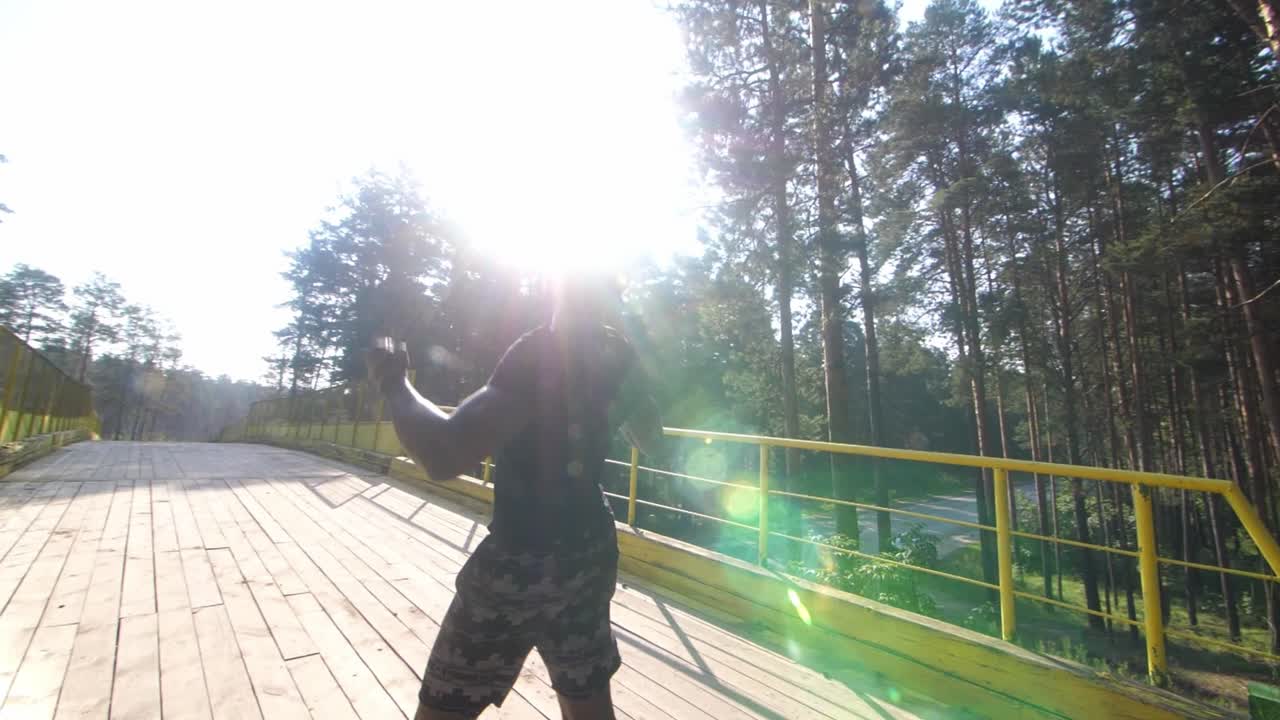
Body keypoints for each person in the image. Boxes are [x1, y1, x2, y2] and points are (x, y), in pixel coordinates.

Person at [365, 273, 663, 720]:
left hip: (520, 562)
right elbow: (654, 441)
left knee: (445, 707)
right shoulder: (617, 352)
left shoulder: (540, 354)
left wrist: (395, 384)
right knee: (586, 698)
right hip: (590, 552)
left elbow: (444, 455)